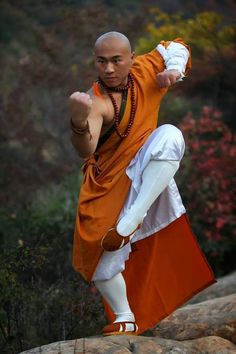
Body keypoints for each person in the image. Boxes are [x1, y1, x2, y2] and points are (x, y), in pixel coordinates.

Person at [70, 31, 215, 336]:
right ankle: (125, 317)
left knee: (171, 136)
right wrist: (79, 122)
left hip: (143, 166)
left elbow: (178, 46)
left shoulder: (147, 69)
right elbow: (87, 148)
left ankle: (132, 219)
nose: (108, 68)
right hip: (107, 181)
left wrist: (173, 71)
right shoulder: (97, 100)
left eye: (116, 60)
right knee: (96, 249)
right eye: (101, 61)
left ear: (132, 58)